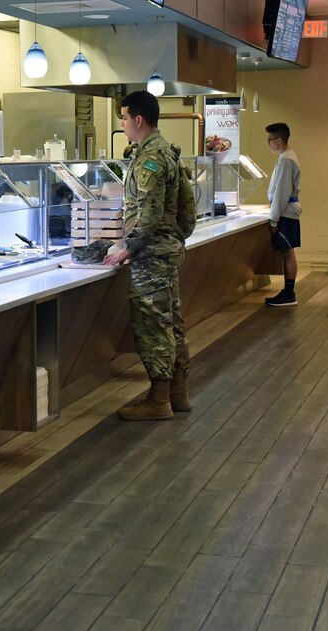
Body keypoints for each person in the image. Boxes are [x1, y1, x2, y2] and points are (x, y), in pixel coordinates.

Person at [103, 90, 194, 421]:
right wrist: (176, 237)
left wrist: (128, 247)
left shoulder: (149, 160)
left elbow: (149, 212)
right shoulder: (169, 153)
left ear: (138, 119)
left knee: (153, 325)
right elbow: (187, 210)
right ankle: (178, 394)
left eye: (124, 118)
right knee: (171, 323)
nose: (123, 124)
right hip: (165, 252)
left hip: (151, 255)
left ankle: (159, 400)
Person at [264, 122, 301, 307]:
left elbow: (282, 192)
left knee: (288, 253)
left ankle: (289, 293)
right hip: (285, 211)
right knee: (288, 252)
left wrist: (274, 218)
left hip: (286, 213)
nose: (268, 143)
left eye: (270, 140)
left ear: (279, 140)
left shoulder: (286, 160)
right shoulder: (286, 157)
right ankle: (288, 291)